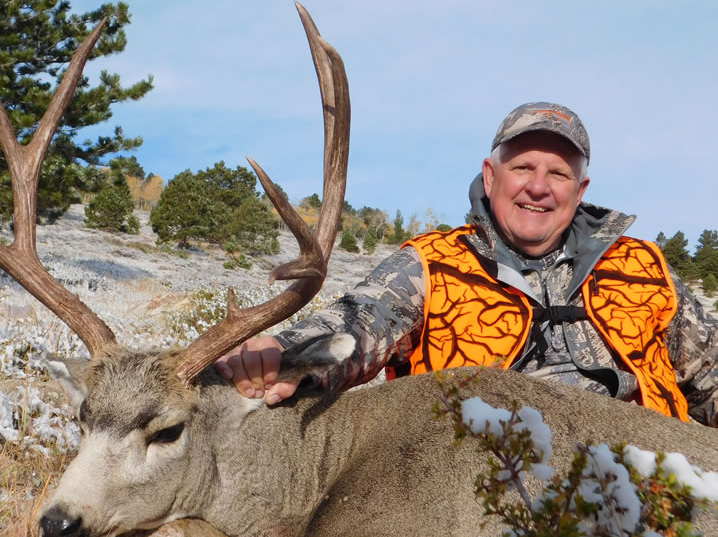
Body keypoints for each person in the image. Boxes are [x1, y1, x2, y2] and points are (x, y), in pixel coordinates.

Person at [215, 102, 718, 427]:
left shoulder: (642, 267)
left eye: (558, 173)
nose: (538, 187)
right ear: (490, 175)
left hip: (650, 493)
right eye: (522, 167)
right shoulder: (433, 265)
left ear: (580, 190)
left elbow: (712, 377)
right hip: (483, 494)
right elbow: (360, 322)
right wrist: (286, 353)